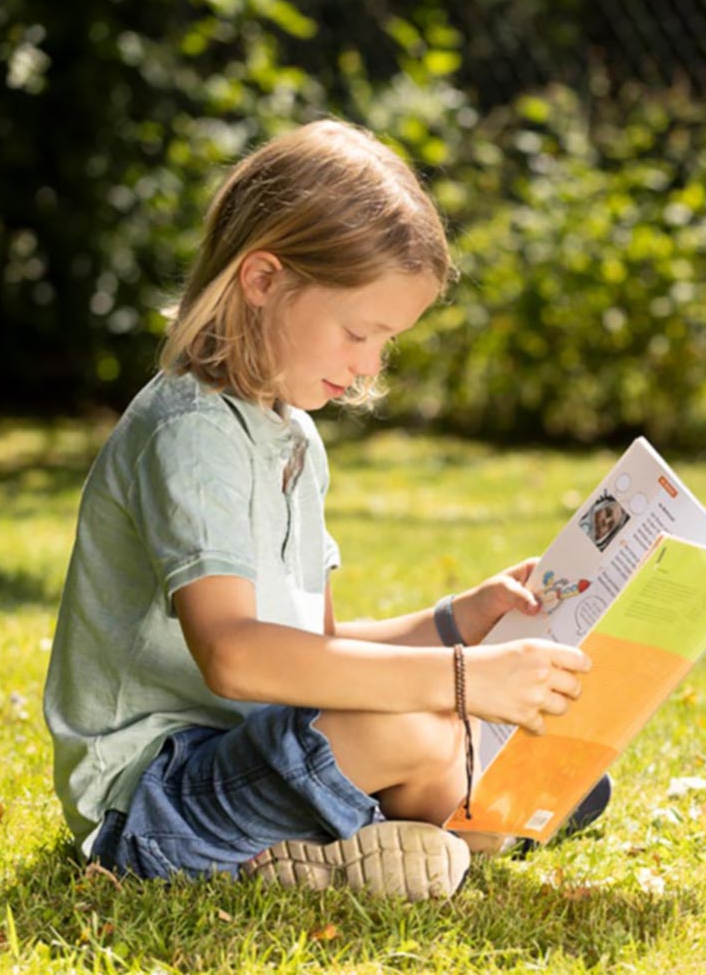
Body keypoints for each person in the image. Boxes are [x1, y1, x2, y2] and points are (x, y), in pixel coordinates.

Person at [43, 119, 603, 902]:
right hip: (154, 804)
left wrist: (456, 621)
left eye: (386, 343)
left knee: (512, 749)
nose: (370, 365)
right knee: (419, 728)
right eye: (358, 332)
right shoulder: (189, 432)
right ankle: (405, 834)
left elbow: (321, 649)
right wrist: (463, 677)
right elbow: (237, 656)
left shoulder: (291, 435)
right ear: (263, 279)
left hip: (262, 759)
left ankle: (352, 848)